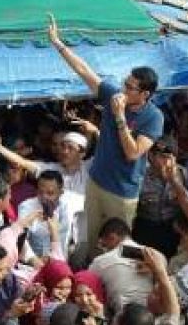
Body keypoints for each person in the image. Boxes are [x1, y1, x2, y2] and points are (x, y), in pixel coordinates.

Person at [49, 16, 163, 256]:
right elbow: (84, 70)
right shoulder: (113, 95)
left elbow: (133, 153)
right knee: (91, 237)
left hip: (122, 192)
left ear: (145, 94)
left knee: (116, 246)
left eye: (130, 87)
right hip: (96, 181)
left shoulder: (153, 117)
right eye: (125, 83)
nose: (123, 89)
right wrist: (57, 43)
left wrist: (120, 116)